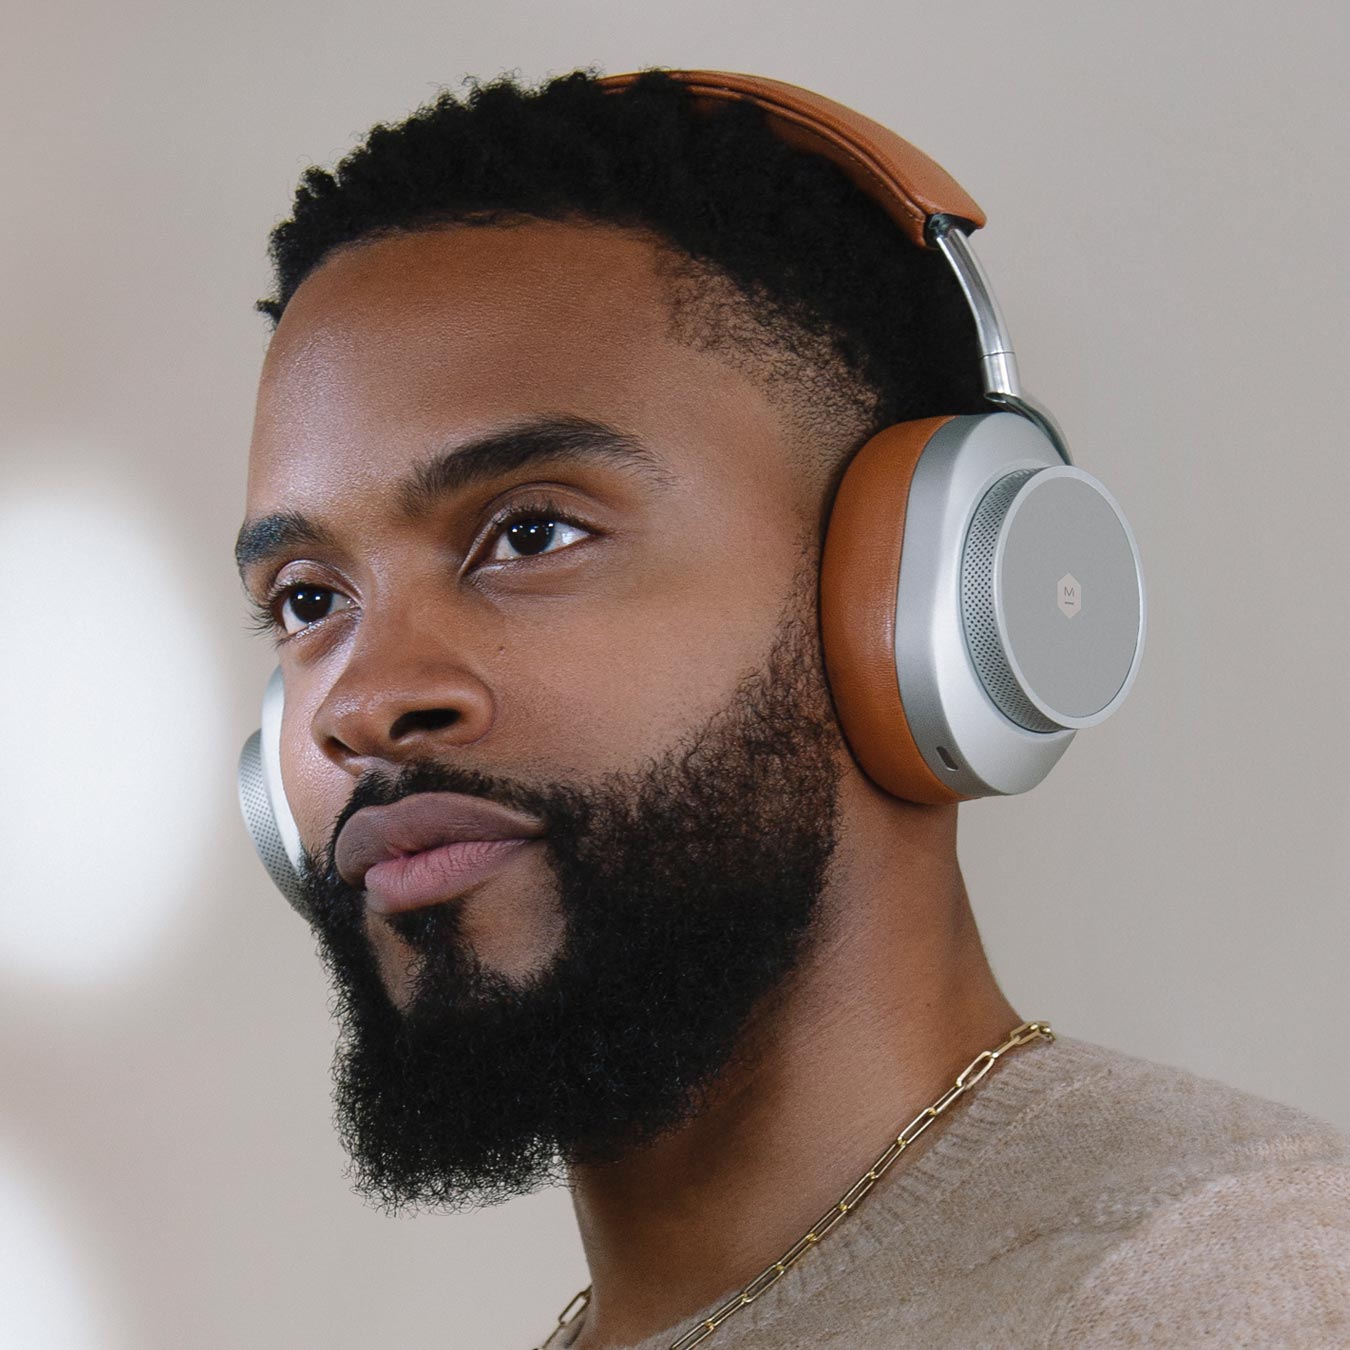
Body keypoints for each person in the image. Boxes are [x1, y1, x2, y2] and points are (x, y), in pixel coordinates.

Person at [234, 67, 1350, 1349]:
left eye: (531, 532)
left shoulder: (1222, 1289)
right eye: (311, 600)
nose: (364, 703)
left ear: (914, 602)